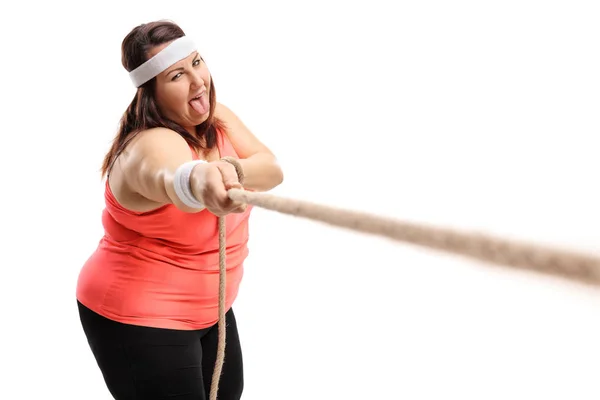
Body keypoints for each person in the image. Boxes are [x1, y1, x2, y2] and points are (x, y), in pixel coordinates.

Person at [76, 19, 284, 400]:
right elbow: (170, 176)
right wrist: (199, 180)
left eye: (197, 62)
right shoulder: (148, 144)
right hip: (139, 314)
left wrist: (231, 169)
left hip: (212, 310)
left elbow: (271, 169)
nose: (198, 81)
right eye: (176, 75)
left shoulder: (218, 120)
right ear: (151, 91)